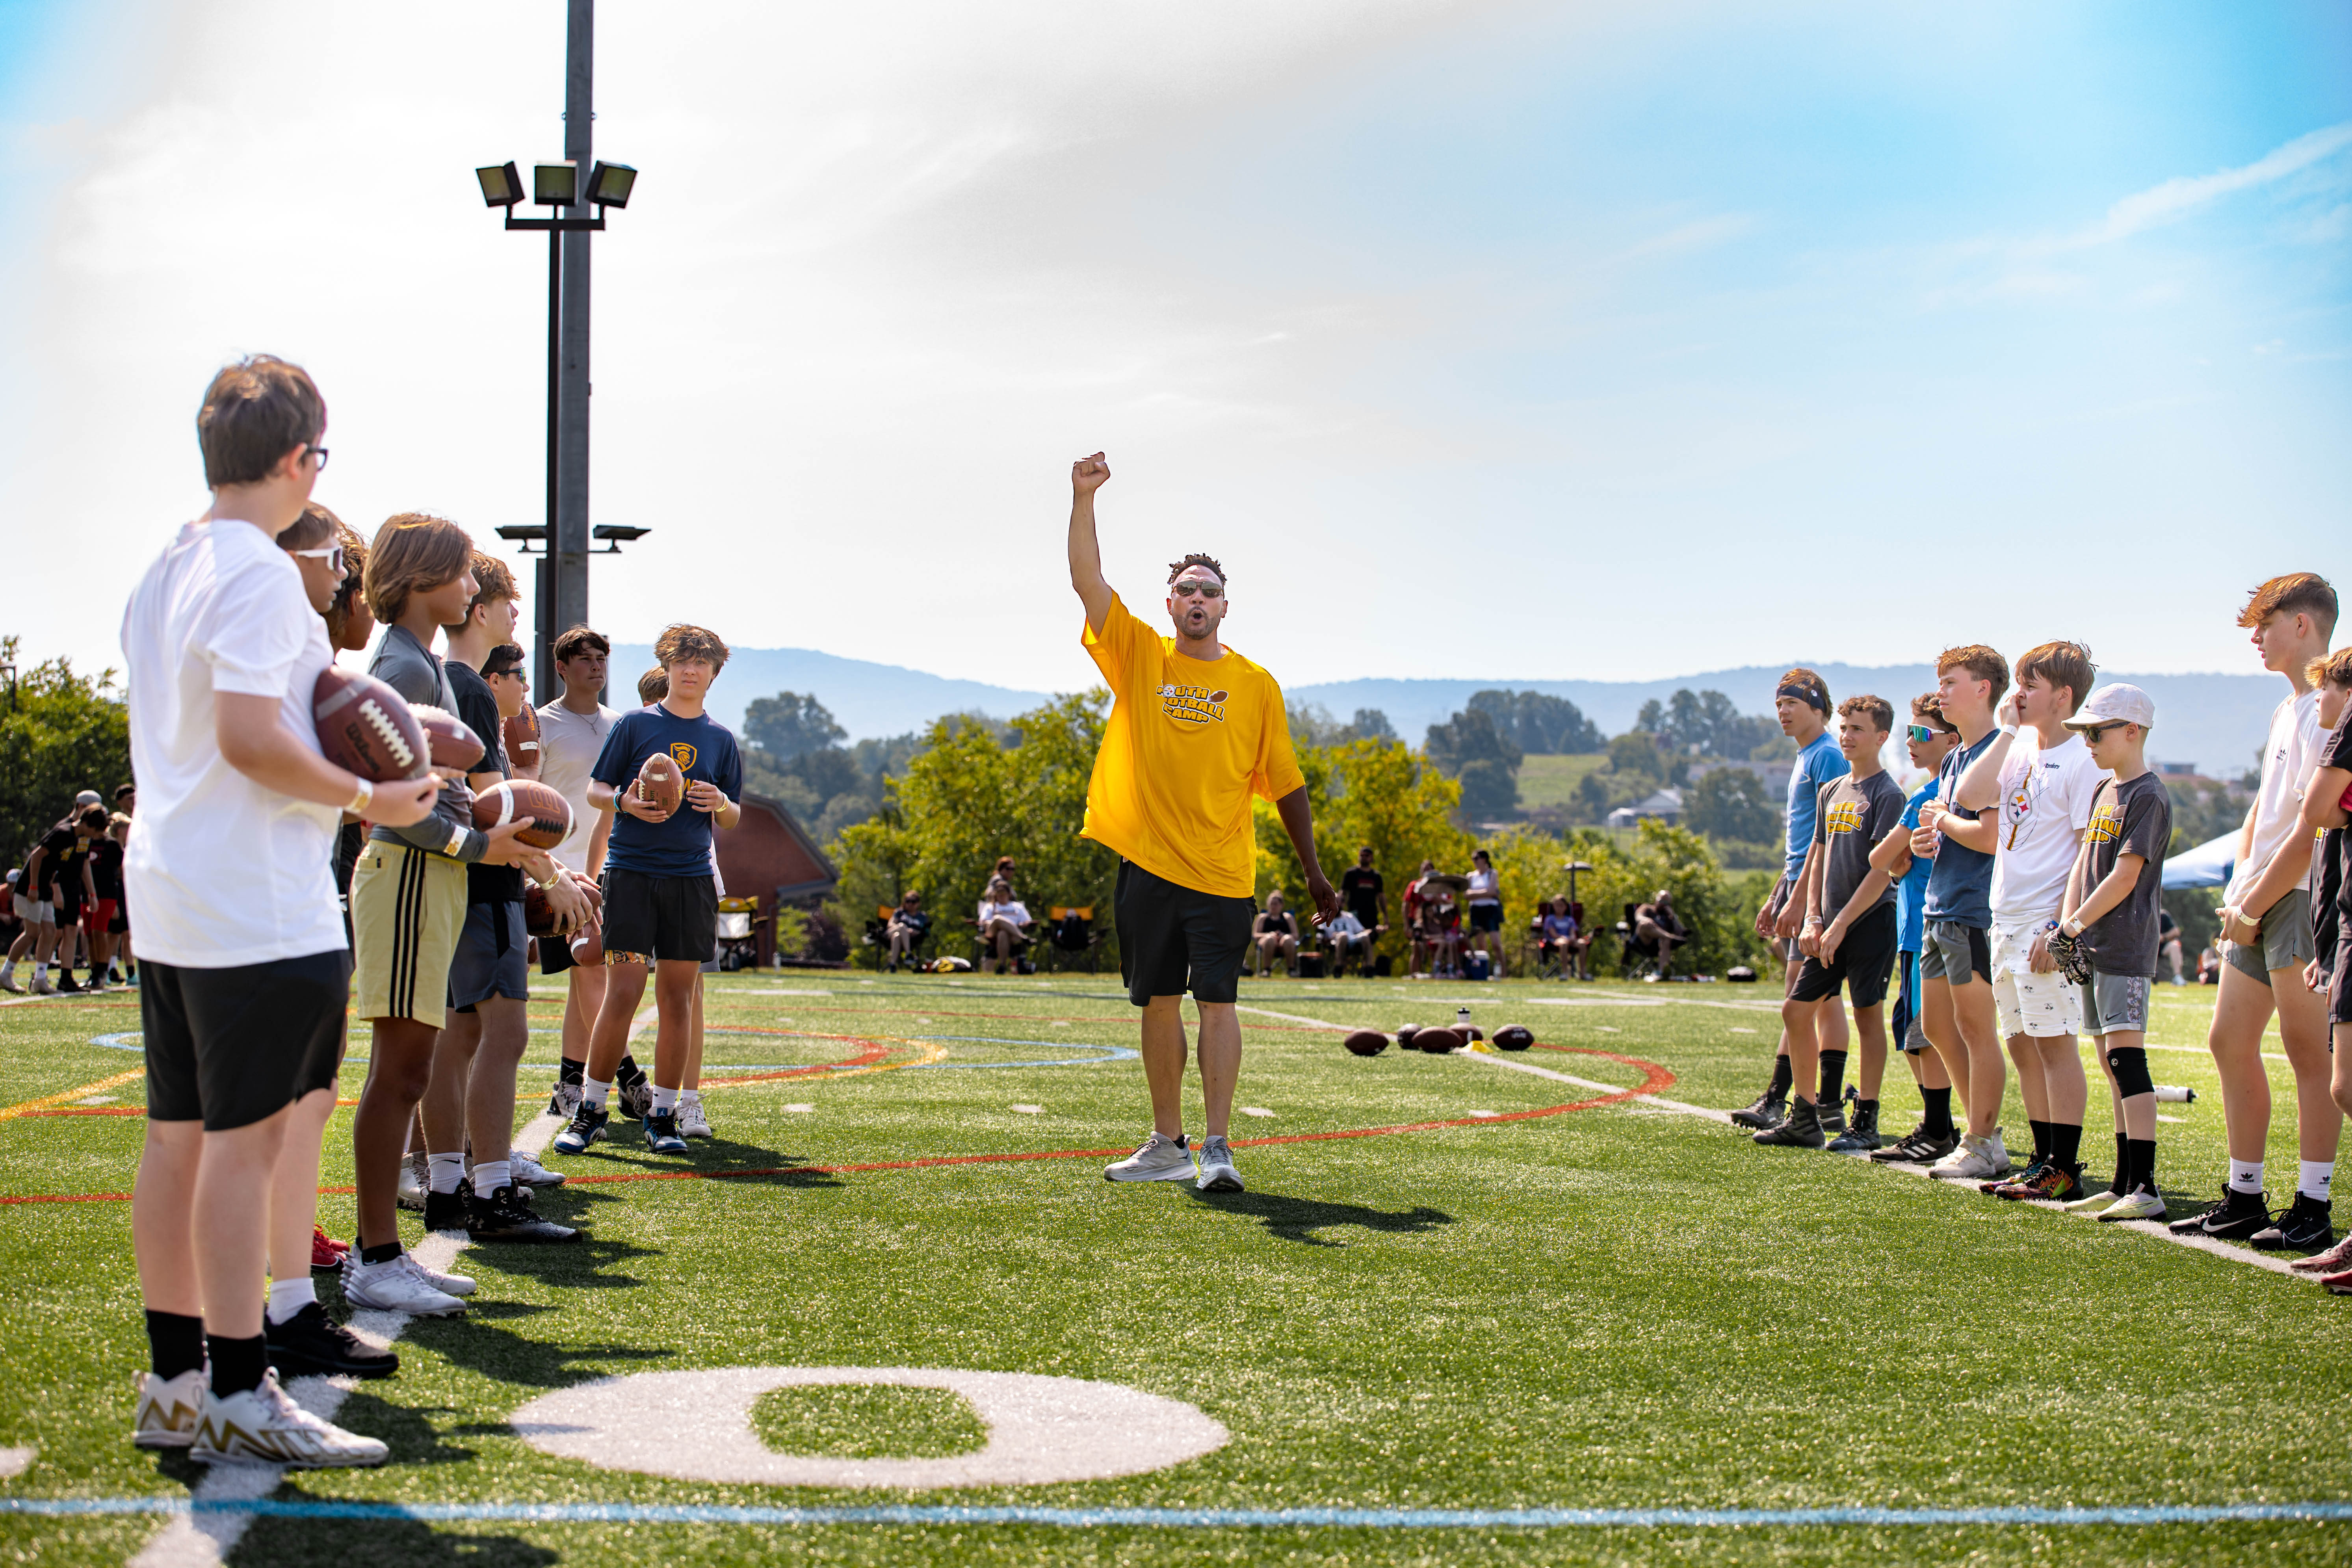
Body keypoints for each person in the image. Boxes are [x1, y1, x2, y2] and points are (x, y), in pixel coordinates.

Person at [123, 355, 441, 1464]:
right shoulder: (259, 572)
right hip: (254, 901)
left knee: (176, 1143)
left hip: (173, 889)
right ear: (304, 459)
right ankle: (240, 1388)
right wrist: (375, 792)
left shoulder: (170, 562)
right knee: (244, 1155)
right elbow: (252, 737)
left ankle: (173, 1385)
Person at [1068, 451, 1335, 1194]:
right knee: (1155, 1002)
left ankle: (1217, 1147)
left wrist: (1313, 872)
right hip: (1147, 865)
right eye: (1184, 589)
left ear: (1224, 607)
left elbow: (1286, 783)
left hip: (1222, 871)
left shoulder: (1254, 685)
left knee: (1218, 1001)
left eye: (1208, 592)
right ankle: (1166, 1143)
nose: (1195, 599)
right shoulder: (1139, 659)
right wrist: (1083, 498)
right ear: (1169, 605)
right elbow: (1089, 583)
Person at [344, 515, 540, 1316]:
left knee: (415, 1069)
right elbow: (394, 802)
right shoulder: (398, 663)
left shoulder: (418, 659)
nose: (473, 586)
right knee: (397, 1072)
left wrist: (475, 839)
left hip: (432, 871)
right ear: (422, 576)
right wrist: (478, 844)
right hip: (409, 871)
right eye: (461, 572)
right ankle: (375, 1252)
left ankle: (387, 1250)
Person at [2175, 574, 2337, 1248]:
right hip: (2257, 898)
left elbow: (2311, 830)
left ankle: (2313, 1204)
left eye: (2264, 623)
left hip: (2296, 898)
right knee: (2227, 1041)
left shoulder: (2332, 706)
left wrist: (2258, 899)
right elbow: (2261, 815)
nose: (2254, 637)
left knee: (2309, 1053)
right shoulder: (2285, 709)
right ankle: (2245, 1196)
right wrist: (2238, 896)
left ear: (2303, 625)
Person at [425, 572, 585, 1245]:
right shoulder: (466, 686)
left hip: (461, 878)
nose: (519, 612)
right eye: (507, 600)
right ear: (480, 609)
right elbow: (501, 806)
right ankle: (490, 1188)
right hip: (483, 883)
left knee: (458, 1037)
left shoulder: (444, 677)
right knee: (502, 1036)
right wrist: (554, 877)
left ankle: (447, 1183)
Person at [554, 623, 743, 1160]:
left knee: (678, 1000)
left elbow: (733, 816)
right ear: (665, 667)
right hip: (633, 874)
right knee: (623, 991)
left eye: (701, 662)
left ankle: (664, 1116)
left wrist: (718, 804)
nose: (690, 669)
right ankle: (590, 1111)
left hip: (691, 880)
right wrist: (624, 803)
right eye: (681, 660)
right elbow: (595, 790)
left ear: (713, 673)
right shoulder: (636, 723)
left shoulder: (721, 739)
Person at [1949, 641, 2105, 1202]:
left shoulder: (2085, 760)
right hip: (2004, 918)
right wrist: (2009, 731)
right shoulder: (2018, 748)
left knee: (2054, 1044)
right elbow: (1967, 795)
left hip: (2042, 922)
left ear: (2062, 696)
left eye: (2029, 686)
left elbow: (2088, 853)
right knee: (2020, 1043)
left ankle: (2063, 1165)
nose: (2017, 695)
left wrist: (2061, 927)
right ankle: (2042, 1160)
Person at [1759, 696, 1906, 1149]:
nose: (1847, 736)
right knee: (1796, 1011)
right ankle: (1805, 1115)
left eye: (1858, 729)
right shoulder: (1831, 790)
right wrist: (1814, 917)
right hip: (1827, 926)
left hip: (1869, 922)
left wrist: (1841, 922)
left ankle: (1866, 1120)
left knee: (1866, 1017)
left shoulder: (1888, 793)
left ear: (1881, 737)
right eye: (1844, 727)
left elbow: (1880, 872)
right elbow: (1818, 856)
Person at [2051, 685, 2174, 1224]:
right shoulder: (2105, 789)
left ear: (2132, 732)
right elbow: (2084, 866)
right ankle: (2124, 1181)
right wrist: (2066, 925)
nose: (2088, 742)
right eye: (2083, 733)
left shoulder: (2147, 795)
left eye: (2096, 732)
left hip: (2122, 945)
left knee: (2126, 1059)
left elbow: (2126, 876)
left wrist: (2075, 923)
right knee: (2108, 1060)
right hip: (2093, 944)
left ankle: (2145, 1186)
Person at [1731, 669, 1848, 1129]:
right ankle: (1831, 1099)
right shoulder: (1807, 756)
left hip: (1818, 890)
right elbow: (1803, 838)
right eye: (1779, 704)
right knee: (1823, 999)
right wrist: (1780, 888)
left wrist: (1806, 897)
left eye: (1792, 704)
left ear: (1818, 708)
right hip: (1801, 882)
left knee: (1801, 996)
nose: (1782, 712)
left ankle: (1782, 1097)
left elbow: (1832, 838)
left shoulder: (1826, 757)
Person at [1912, 645, 2012, 1183]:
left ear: (1983, 690)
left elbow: (1990, 837)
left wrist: (1945, 822)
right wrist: (1932, 835)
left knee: (1975, 1028)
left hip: (1971, 909)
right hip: (1939, 904)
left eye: (1951, 683)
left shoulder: (1997, 750)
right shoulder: (1953, 757)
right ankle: (1981, 1135)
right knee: (1936, 1026)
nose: (1940, 693)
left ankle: (1981, 1140)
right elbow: (1955, 826)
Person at [535, 626, 641, 1123]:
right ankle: (628, 1077)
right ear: (562, 667)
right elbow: (526, 797)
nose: (596, 666)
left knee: (587, 978)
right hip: (560, 873)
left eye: (601, 657)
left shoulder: (621, 723)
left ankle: (570, 1086)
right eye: (584, 659)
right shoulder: (543, 724)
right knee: (591, 973)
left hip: (611, 870)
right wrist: (541, 872)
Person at [1867, 695, 1963, 1166]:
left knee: (1925, 1031)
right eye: (1910, 731)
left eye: (1922, 733)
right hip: (1915, 927)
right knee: (1910, 1028)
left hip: (1925, 932)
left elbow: (1879, 857)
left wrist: (1898, 862)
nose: (1911, 741)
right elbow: (1897, 865)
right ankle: (1938, 1123)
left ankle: (1939, 1128)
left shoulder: (1929, 797)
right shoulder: (1941, 793)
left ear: (1953, 739)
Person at [2292, 647, 2352, 1287]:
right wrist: (2329, 948)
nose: (2321, 708)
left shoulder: (2351, 723)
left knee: (2346, 1086)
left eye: (2327, 694)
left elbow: (2318, 809)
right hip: (2345, 930)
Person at [977, 875, 1034, 974]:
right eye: (998, 893)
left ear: (1009, 894)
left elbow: (1028, 921)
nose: (1001, 895)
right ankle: (1024, 938)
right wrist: (995, 923)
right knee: (997, 919)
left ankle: (1002, 966)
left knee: (1003, 933)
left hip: (1011, 935)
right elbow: (984, 921)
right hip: (992, 933)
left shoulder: (1017, 907)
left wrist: (1022, 925)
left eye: (1003, 893)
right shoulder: (990, 907)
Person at [1464, 848, 1506, 977]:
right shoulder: (1471, 876)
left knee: (1496, 944)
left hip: (1491, 910)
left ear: (1485, 859)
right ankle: (1484, 973)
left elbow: (1493, 892)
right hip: (1476, 911)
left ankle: (1504, 973)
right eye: (1473, 859)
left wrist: (1475, 894)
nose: (1475, 861)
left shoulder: (1492, 873)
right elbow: (1467, 895)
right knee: (1481, 945)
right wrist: (1485, 892)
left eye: (1476, 858)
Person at [1633, 889, 1687, 979]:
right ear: (1656, 899)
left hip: (1661, 944)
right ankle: (1669, 936)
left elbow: (1681, 932)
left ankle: (1661, 973)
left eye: (1666, 903)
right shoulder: (1647, 908)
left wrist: (1673, 917)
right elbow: (1638, 917)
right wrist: (1647, 920)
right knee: (1644, 924)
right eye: (1661, 901)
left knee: (1666, 940)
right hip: (1645, 941)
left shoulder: (1669, 916)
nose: (1663, 904)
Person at [1537, 895, 1586, 981]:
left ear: (1566, 907)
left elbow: (1573, 933)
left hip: (1570, 941)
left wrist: (1571, 938)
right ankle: (1565, 973)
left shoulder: (1570, 919)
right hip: (1555, 941)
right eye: (1557, 905)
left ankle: (1583, 973)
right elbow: (1553, 934)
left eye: (1561, 905)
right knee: (1563, 943)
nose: (1559, 908)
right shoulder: (1550, 919)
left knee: (1582, 943)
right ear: (1553, 907)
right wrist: (1564, 938)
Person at [1252, 891, 1299, 977]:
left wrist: (1283, 936)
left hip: (1284, 946)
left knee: (1288, 939)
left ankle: (1291, 970)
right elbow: (1255, 935)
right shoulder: (1263, 918)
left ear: (1282, 905)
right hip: (1267, 945)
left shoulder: (1288, 918)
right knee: (1270, 939)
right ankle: (1267, 970)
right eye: (1272, 904)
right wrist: (1269, 935)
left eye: (1276, 904)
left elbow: (1296, 935)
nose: (1273, 906)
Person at [884, 890, 933, 971]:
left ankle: (893, 964)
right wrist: (904, 929)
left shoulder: (922, 916)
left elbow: (925, 932)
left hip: (911, 940)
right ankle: (909, 954)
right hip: (890, 934)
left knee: (897, 936)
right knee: (902, 927)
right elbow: (890, 924)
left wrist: (915, 932)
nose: (910, 904)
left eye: (913, 902)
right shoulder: (900, 912)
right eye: (908, 901)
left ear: (918, 903)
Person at [1323, 905, 1375, 975]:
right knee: (1343, 935)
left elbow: (1362, 931)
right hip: (1335, 942)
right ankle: (1339, 967)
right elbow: (1322, 938)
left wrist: (1375, 930)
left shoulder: (1349, 916)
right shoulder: (1324, 919)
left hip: (1352, 939)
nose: (1337, 905)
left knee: (1365, 937)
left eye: (1340, 902)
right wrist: (1331, 938)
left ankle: (1368, 968)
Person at [2156, 908, 2185, 985]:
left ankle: (2178, 976)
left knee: (2175, 946)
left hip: (2161, 948)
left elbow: (2176, 931)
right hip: (2146, 947)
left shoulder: (2163, 915)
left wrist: (2164, 937)